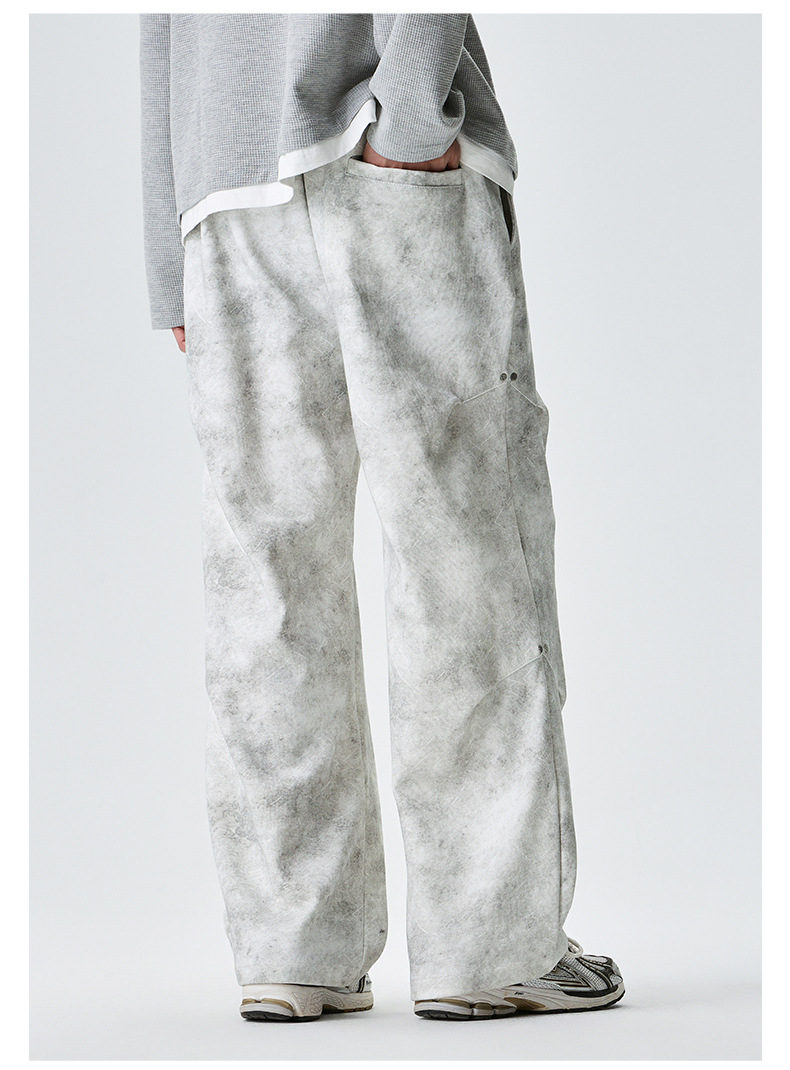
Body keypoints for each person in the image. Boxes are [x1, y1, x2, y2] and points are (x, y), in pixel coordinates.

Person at [139, 13, 624, 1023]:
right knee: (466, 564)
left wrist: (169, 239)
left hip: (221, 190)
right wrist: (407, 113)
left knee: (266, 587)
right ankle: (491, 947)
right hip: (385, 157)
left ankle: (292, 948)